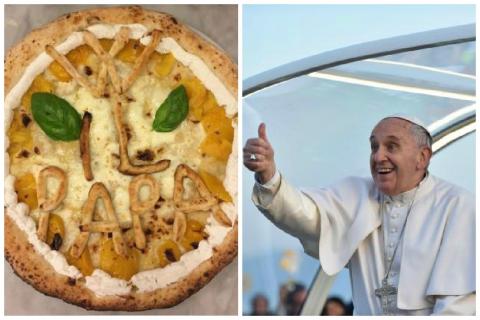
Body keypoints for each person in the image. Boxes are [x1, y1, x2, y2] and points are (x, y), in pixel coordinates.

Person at [243, 116, 475, 315]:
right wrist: (269, 176)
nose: (378, 156)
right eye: (374, 147)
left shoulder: (457, 205)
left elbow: (458, 306)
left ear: (422, 157)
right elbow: (305, 214)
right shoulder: (356, 193)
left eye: (391, 147)